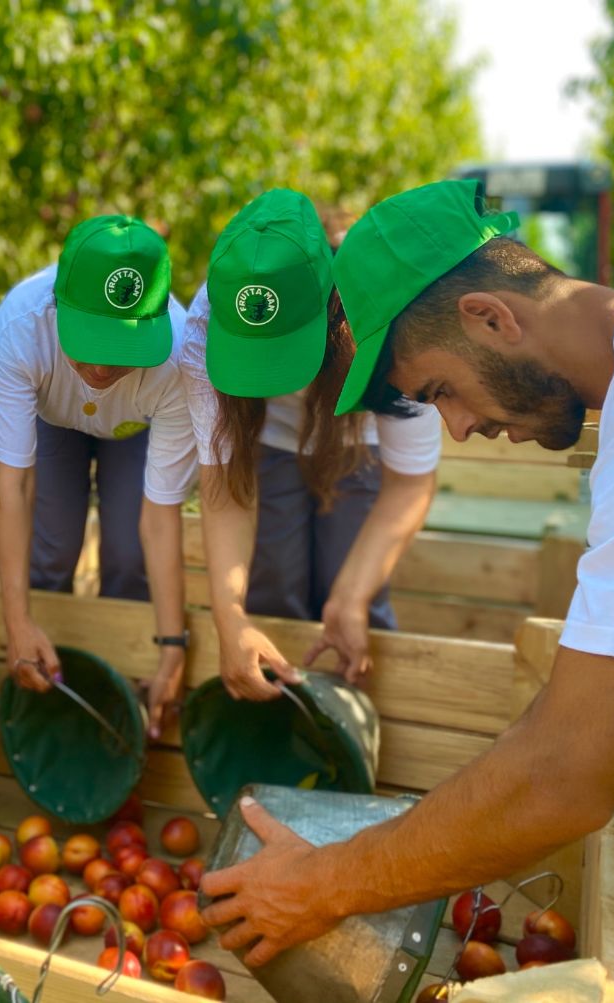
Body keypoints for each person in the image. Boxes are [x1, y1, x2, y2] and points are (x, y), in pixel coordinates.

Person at [199, 178, 614, 965]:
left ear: (490, 316)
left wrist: (317, 885)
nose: (457, 425)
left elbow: (564, 774)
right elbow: (563, 728)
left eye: (440, 390)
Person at [180, 189, 439, 700]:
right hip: (271, 437)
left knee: (349, 589)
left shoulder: (394, 312)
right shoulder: (203, 326)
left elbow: (410, 483)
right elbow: (224, 486)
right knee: (273, 583)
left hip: (356, 430)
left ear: (332, 311)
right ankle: (279, 710)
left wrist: (352, 594)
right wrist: (228, 618)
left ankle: (357, 713)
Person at [0, 214, 195, 736]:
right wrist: (14, 620)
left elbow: (161, 516)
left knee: (128, 553)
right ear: (59, 309)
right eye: (89, 342)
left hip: (134, 428)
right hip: (52, 419)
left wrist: (173, 645)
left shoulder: (181, 356)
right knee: (52, 547)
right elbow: (16, 489)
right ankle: (35, 661)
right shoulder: (19, 329)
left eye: (119, 349)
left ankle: (119, 680)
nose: (101, 369)